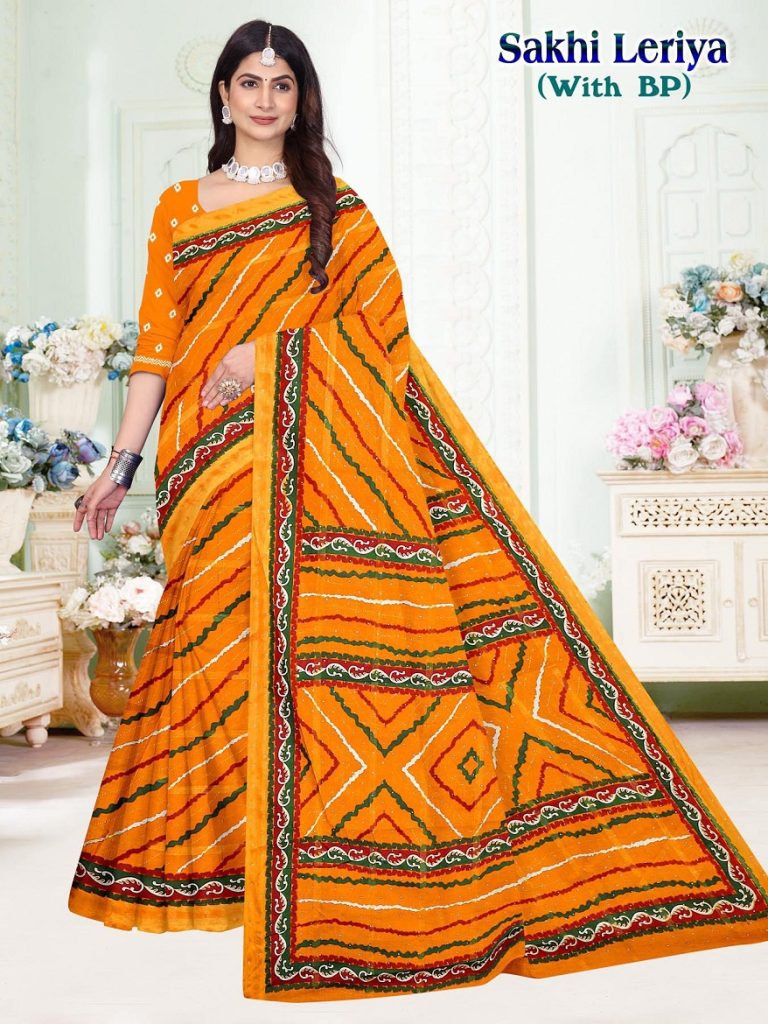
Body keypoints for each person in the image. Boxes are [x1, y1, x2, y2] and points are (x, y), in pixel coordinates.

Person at [68, 18, 768, 1004]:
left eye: (283, 84)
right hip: (205, 454)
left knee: (307, 652)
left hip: (315, 451)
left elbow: (380, 331)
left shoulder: (335, 207)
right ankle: (231, 863)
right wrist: (121, 462)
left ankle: (316, 857)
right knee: (220, 647)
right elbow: (155, 347)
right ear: (222, 95)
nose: (265, 99)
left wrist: (267, 357)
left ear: (301, 100)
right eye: (249, 82)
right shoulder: (179, 205)